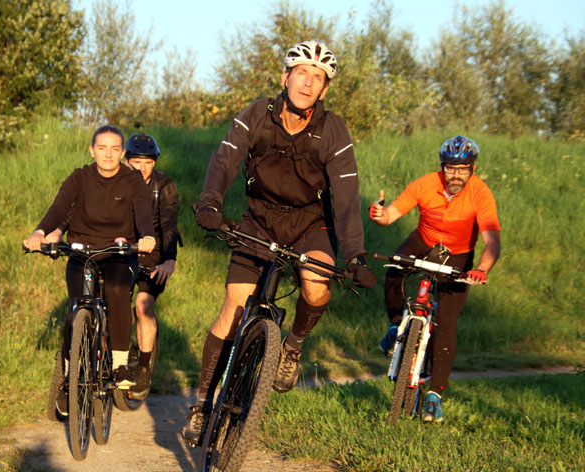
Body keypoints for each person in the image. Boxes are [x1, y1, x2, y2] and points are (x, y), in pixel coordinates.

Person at [182, 40, 377, 446]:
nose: (308, 83)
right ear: (286, 77)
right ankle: (202, 406)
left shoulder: (333, 130)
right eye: (301, 73)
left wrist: (355, 253)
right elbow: (225, 159)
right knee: (233, 309)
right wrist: (210, 202)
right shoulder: (257, 114)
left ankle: (293, 346)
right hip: (259, 220)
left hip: (311, 225)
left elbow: (346, 196)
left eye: (317, 78)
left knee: (316, 283)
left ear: (324, 90)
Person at [23, 125, 156, 411]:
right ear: (92, 150)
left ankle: (120, 365)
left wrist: (146, 237)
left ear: (122, 152)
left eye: (114, 149)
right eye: (102, 148)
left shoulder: (132, 180)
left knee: (117, 291)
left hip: (120, 252)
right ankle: (70, 380)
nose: (108, 154)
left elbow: (144, 212)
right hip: (82, 250)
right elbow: (58, 209)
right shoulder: (80, 177)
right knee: (76, 308)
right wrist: (39, 234)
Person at [369, 135, 501, 423]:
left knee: (447, 322)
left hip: (459, 253)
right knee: (394, 269)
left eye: (462, 168)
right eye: (450, 168)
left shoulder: (481, 193)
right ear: (442, 167)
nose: (455, 175)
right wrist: (380, 214)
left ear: (473, 169)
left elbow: (492, 243)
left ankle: (435, 394)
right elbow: (391, 214)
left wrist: (481, 269)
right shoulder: (426, 184)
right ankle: (395, 326)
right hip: (424, 241)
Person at [124, 133, 181, 400]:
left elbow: (169, 225)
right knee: (114, 299)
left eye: (148, 162)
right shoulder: (117, 182)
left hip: (155, 251)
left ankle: (144, 369)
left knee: (143, 306)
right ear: (126, 161)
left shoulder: (164, 185)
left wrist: (169, 260)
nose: (142, 167)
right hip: (123, 249)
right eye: (136, 161)